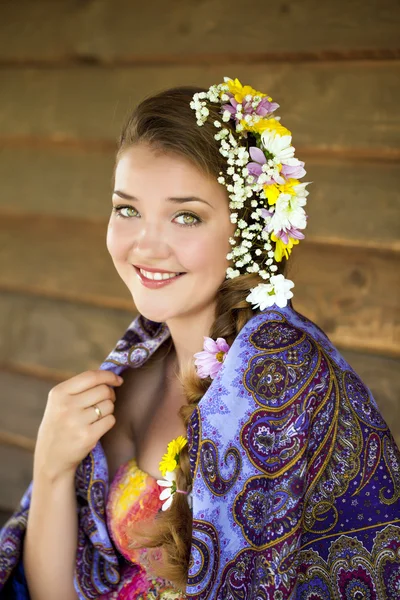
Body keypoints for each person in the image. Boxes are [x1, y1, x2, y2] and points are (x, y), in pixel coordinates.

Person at [1, 76, 400, 600]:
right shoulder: (139, 367)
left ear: (247, 233)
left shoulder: (278, 383)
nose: (146, 244)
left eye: (186, 216)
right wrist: (51, 468)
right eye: (127, 209)